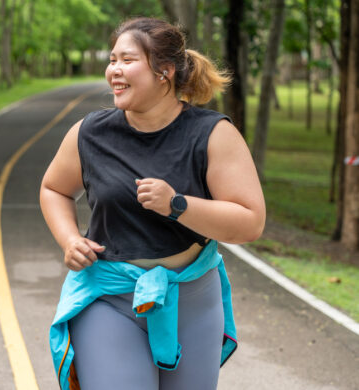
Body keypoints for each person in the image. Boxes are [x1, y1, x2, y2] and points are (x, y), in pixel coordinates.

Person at [41, 17, 265, 390]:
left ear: (164, 71)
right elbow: (54, 189)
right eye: (112, 59)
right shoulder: (90, 132)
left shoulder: (211, 134)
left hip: (192, 295)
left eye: (127, 60)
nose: (114, 70)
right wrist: (69, 239)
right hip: (109, 296)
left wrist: (177, 204)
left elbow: (250, 222)